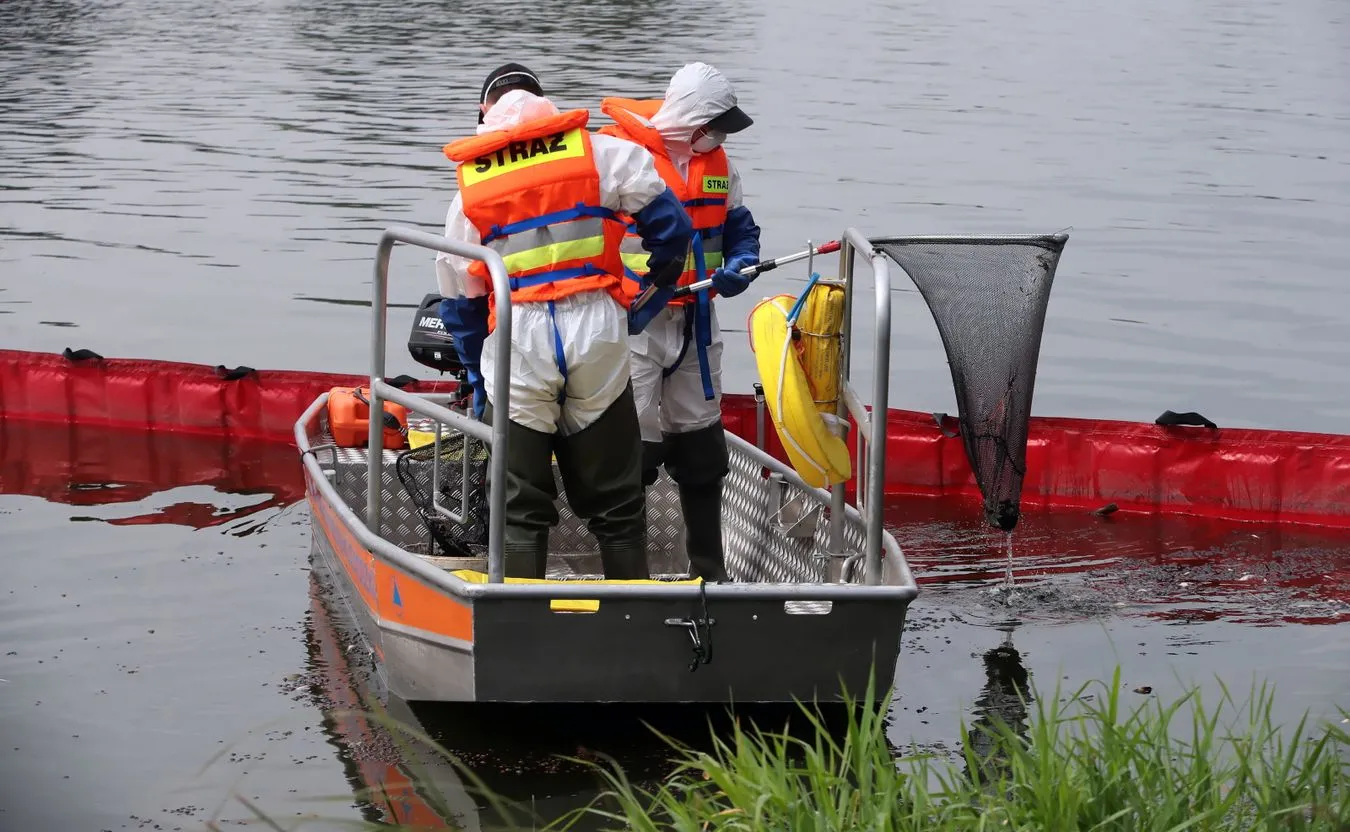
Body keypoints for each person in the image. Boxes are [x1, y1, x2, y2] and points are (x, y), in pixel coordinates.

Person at [434, 63, 693, 581]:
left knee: (518, 502)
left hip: (518, 336)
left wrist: (472, 370)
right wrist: (652, 288)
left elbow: (461, 297)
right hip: (596, 330)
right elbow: (672, 227)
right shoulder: (603, 152)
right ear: (544, 102)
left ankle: (519, 620)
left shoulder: (470, 189)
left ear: (485, 112)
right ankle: (632, 615)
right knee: (616, 502)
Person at [598, 62, 762, 584]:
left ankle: (710, 576)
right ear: (691, 116)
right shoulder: (614, 158)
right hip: (634, 321)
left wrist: (741, 264)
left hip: (697, 319)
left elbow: (741, 228)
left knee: (702, 449)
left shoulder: (720, 165)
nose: (718, 134)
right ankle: (629, 580)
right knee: (632, 449)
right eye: (713, 122)